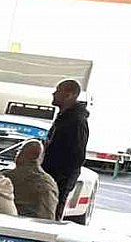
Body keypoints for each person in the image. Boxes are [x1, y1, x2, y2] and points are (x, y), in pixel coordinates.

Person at [42, 80, 90, 220]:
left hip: (58, 180)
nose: (54, 93)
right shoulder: (64, 118)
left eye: (58, 90)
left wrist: (59, 176)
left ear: (69, 95)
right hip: (52, 176)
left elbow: (77, 155)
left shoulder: (76, 121)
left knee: (51, 214)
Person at [8, 141, 60, 221]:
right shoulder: (50, 182)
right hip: (45, 226)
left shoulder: (7, 178)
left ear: (20, 155)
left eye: (19, 151)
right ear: (40, 158)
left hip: (15, 225)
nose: (16, 154)